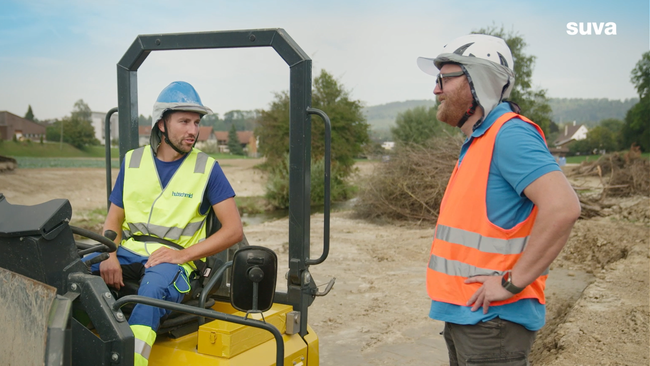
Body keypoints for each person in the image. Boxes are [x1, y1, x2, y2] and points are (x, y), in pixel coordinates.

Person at [416, 34, 581, 365]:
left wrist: (510, 283)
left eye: (444, 78)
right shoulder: (480, 141)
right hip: (471, 318)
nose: (436, 89)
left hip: (493, 323)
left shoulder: (509, 135)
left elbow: (563, 208)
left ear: (480, 81)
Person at [86, 81, 243, 366]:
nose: (193, 131)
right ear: (162, 125)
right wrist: (108, 253)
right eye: (184, 121)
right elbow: (114, 218)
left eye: (196, 122)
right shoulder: (133, 161)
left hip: (177, 262)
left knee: (152, 291)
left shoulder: (207, 168)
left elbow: (234, 231)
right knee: (75, 270)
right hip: (127, 252)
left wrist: (181, 255)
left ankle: (130, 361)